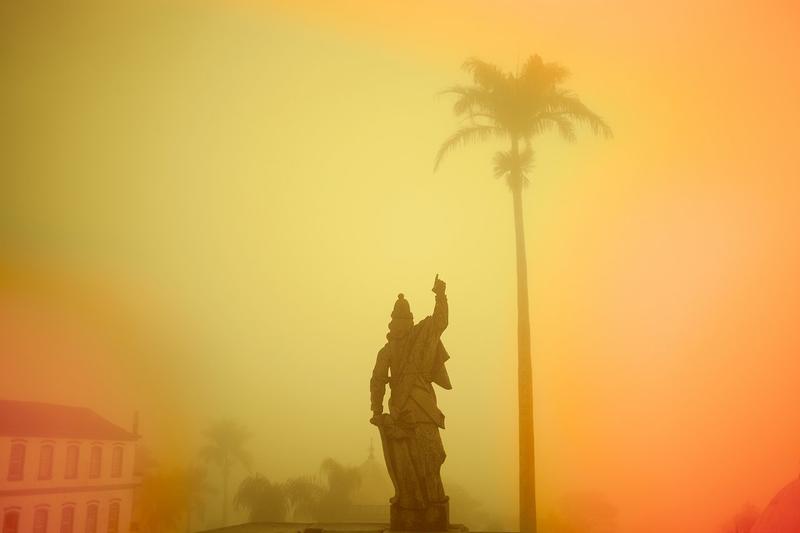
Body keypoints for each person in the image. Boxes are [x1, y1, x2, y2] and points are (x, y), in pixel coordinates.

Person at [370, 275, 451, 528]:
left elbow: (440, 322)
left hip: (422, 410)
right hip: (403, 416)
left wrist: (440, 296)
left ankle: (433, 505)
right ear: (393, 324)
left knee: (432, 459)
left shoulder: (421, 336)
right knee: (409, 465)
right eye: (399, 322)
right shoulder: (387, 351)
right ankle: (413, 505)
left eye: (405, 322)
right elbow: (378, 380)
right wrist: (377, 410)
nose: (402, 327)